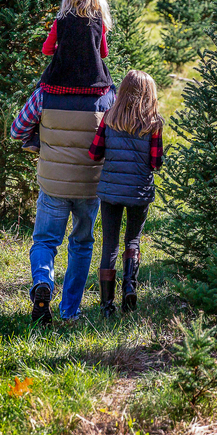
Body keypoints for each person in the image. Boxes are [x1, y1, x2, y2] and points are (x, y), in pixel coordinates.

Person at [10, 0, 116, 326]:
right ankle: (71, 311)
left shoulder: (46, 92)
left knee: (45, 240)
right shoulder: (106, 95)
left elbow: (17, 128)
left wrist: (38, 140)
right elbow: (113, 137)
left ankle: (42, 283)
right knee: (82, 245)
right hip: (90, 185)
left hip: (53, 183)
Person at [88, 70, 163, 317]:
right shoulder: (154, 123)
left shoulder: (109, 117)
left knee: (109, 244)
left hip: (110, 190)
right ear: (149, 95)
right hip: (139, 191)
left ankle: (106, 306)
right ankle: (129, 286)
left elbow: (94, 153)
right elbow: (155, 163)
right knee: (133, 240)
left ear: (122, 91)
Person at [20, 0, 113, 152]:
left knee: (40, 90)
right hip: (94, 84)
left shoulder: (61, 19)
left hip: (59, 82)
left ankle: (34, 137)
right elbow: (103, 54)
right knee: (112, 90)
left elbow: (47, 50)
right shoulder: (99, 21)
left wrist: (63, 49)